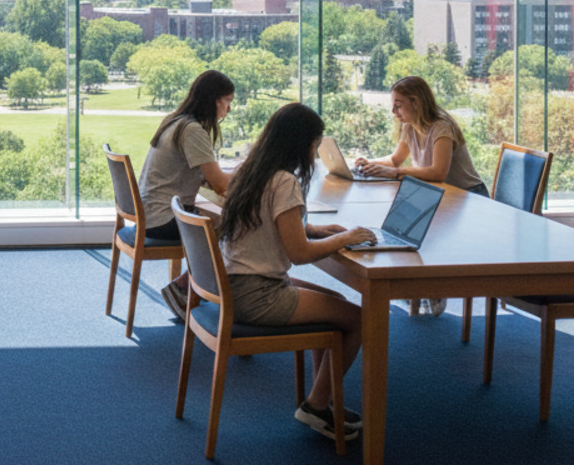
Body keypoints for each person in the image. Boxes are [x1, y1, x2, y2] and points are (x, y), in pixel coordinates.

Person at [216, 102, 374, 444]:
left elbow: (267, 224)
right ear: (302, 144)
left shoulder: (250, 170)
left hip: (235, 286)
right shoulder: (285, 181)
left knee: (336, 302)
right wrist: (345, 238)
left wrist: (314, 229)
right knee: (360, 318)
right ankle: (316, 406)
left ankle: (322, 400)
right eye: (315, 145)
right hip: (258, 295)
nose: (315, 154)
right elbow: (299, 254)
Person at [354, 74, 487, 316]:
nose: (394, 111)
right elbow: (395, 160)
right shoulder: (410, 126)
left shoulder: (441, 127)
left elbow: (438, 172)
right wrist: (370, 164)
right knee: (399, 221)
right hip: (437, 195)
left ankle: (429, 291)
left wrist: (394, 173)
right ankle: (414, 291)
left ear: (416, 102)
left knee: (413, 224)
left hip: (467, 199)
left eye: (398, 105)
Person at [137, 69, 235, 319]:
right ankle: (192, 288)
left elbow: (200, 176)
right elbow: (221, 185)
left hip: (151, 213)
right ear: (216, 101)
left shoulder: (175, 121)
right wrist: (254, 168)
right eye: (228, 103)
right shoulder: (191, 130)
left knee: (222, 222)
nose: (228, 110)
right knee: (236, 228)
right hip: (163, 218)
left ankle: (189, 286)